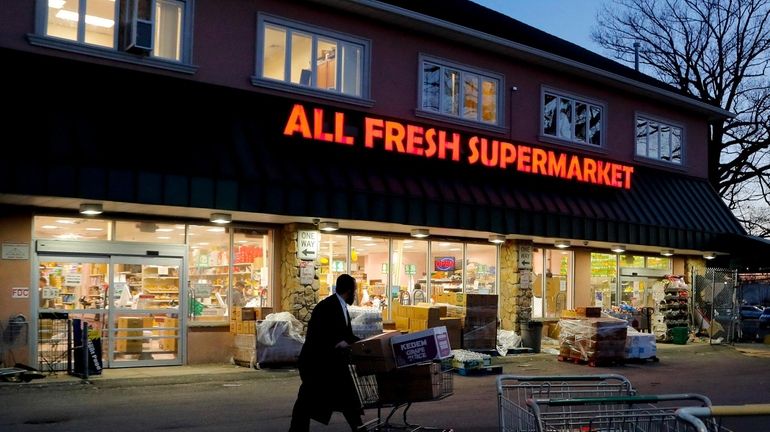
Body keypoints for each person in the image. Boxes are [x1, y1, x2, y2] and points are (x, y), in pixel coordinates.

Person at [290, 274, 362, 432]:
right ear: (349, 291)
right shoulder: (327, 306)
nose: (356, 294)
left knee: (344, 396)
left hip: (330, 363)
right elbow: (319, 333)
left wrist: (358, 341)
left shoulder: (339, 305)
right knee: (308, 399)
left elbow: (344, 333)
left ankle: (358, 426)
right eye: (355, 291)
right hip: (317, 363)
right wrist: (337, 342)